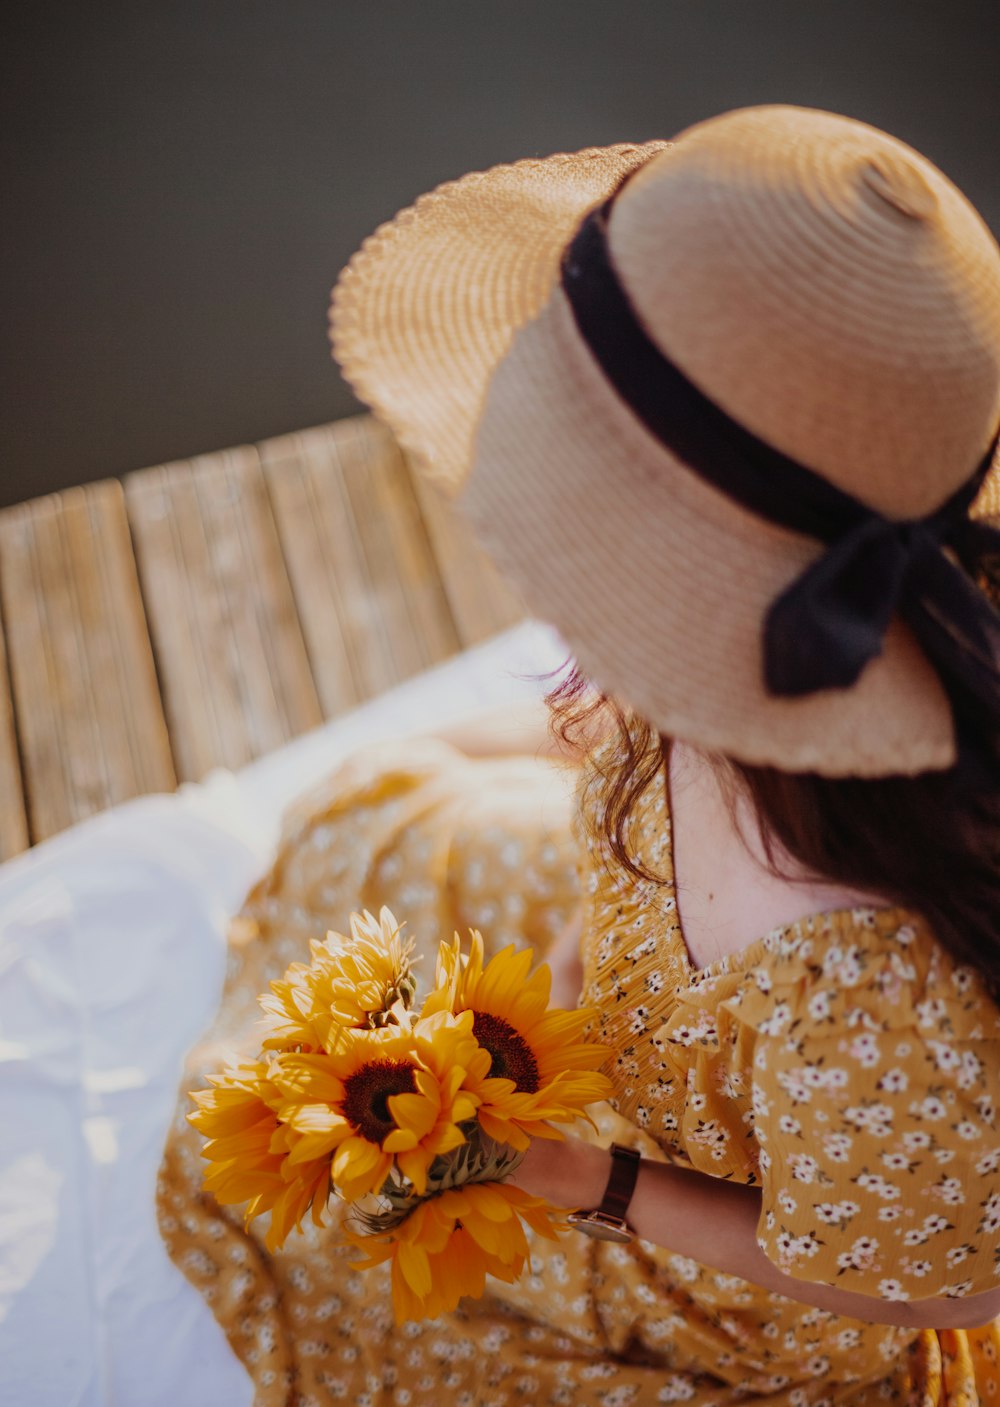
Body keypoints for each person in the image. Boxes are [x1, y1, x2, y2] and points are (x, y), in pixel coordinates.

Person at [158, 104, 1000, 1405]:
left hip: (709, 1232)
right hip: (625, 1003)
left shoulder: (874, 1002)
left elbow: (932, 1281)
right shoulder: (728, 669)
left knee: (326, 1226)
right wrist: (561, 992)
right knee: (376, 843)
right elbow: (620, 785)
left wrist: (595, 1181)